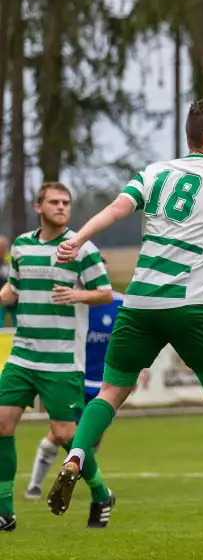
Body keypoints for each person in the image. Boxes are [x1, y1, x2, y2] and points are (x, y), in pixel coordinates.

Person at [45, 97, 203, 522]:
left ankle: (76, 456)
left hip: (140, 301)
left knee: (112, 392)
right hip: (190, 304)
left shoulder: (154, 173)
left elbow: (116, 210)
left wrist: (77, 240)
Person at [0, 183, 115, 532]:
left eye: (66, 202)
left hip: (62, 361)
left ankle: (101, 492)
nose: (62, 207)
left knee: (66, 434)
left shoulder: (81, 248)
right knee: (2, 424)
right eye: (55, 202)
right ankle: (5, 512)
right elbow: (14, 289)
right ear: (39, 207)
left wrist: (77, 294)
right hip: (22, 356)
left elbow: (106, 293)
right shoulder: (21, 245)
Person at [25, 273, 124, 515]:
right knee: (61, 433)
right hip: (75, 379)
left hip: (105, 385)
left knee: (91, 438)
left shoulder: (120, 303)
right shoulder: (72, 304)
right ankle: (35, 487)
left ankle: (79, 474)